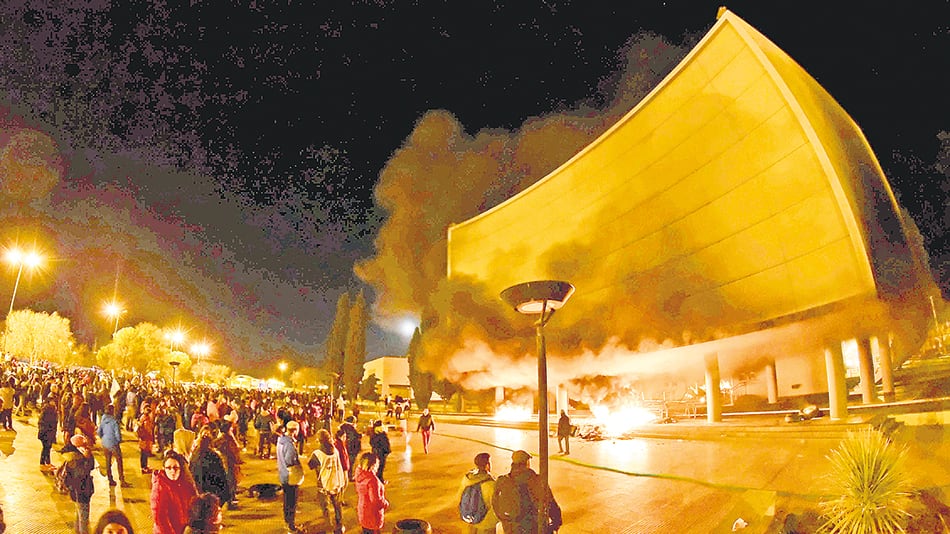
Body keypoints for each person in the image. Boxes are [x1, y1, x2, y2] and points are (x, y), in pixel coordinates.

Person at [494, 450, 562, 534]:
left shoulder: (503, 482)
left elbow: (495, 504)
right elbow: (551, 503)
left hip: (513, 529)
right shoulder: (537, 480)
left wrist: (504, 521)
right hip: (535, 528)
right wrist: (556, 522)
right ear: (526, 463)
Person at [308, 429, 347, 533]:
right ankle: (340, 526)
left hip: (324, 484)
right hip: (336, 482)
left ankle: (329, 526)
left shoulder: (317, 453)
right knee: (337, 506)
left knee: (325, 507)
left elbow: (311, 465)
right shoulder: (335, 450)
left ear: (319, 440)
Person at [151, 450, 198, 534]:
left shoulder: (184, 484)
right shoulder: (160, 487)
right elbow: (160, 518)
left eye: (175, 467)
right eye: (168, 468)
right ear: (164, 468)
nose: (172, 471)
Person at [62, 433, 96, 534]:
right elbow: (83, 473)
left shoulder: (72, 456)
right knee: (84, 519)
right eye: (84, 444)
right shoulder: (76, 458)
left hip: (76, 491)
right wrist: (87, 458)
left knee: (79, 515)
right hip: (82, 491)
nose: (86, 446)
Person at [458, 452, 499, 534]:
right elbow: (495, 506)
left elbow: (460, 497)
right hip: (486, 524)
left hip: (469, 522)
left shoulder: (467, 479)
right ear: (487, 465)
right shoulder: (491, 484)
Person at [190, 430, 232, 508]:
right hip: (211, 488)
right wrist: (225, 492)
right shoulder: (213, 455)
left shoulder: (195, 455)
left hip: (199, 487)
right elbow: (220, 474)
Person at [277, 420, 304, 532]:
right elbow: (290, 461)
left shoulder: (281, 440)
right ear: (295, 431)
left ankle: (287, 522)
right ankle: (291, 526)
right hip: (290, 476)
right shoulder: (289, 445)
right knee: (291, 502)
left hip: (283, 474)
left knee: (287, 500)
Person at [355, 452, 389, 534]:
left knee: (366, 530)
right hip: (372, 515)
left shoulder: (359, 473)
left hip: (363, 510)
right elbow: (376, 501)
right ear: (373, 465)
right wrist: (385, 504)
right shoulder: (373, 480)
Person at [97, 404, 130, 487]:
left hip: (105, 443)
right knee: (119, 461)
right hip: (113, 443)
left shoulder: (103, 420)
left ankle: (110, 479)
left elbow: (99, 432)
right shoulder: (114, 422)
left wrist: (103, 438)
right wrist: (119, 440)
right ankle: (122, 480)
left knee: (108, 461)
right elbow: (117, 434)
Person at [37, 395, 58, 471]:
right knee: (46, 448)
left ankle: (48, 462)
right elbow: (44, 422)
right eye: (52, 401)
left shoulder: (52, 409)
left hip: (49, 432)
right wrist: (47, 430)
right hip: (46, 433)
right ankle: (42, 464)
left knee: (48, 448)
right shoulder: (47, 409)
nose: (54, 402)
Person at [340, 415, 362, 481]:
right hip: (352, 449)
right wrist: (359, 436)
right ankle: (349, 476)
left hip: (345, 448)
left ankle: (344, 476)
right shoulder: (351, 429)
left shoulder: (343, 428)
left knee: (345, 462)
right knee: (350, 463)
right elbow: (354, 438)